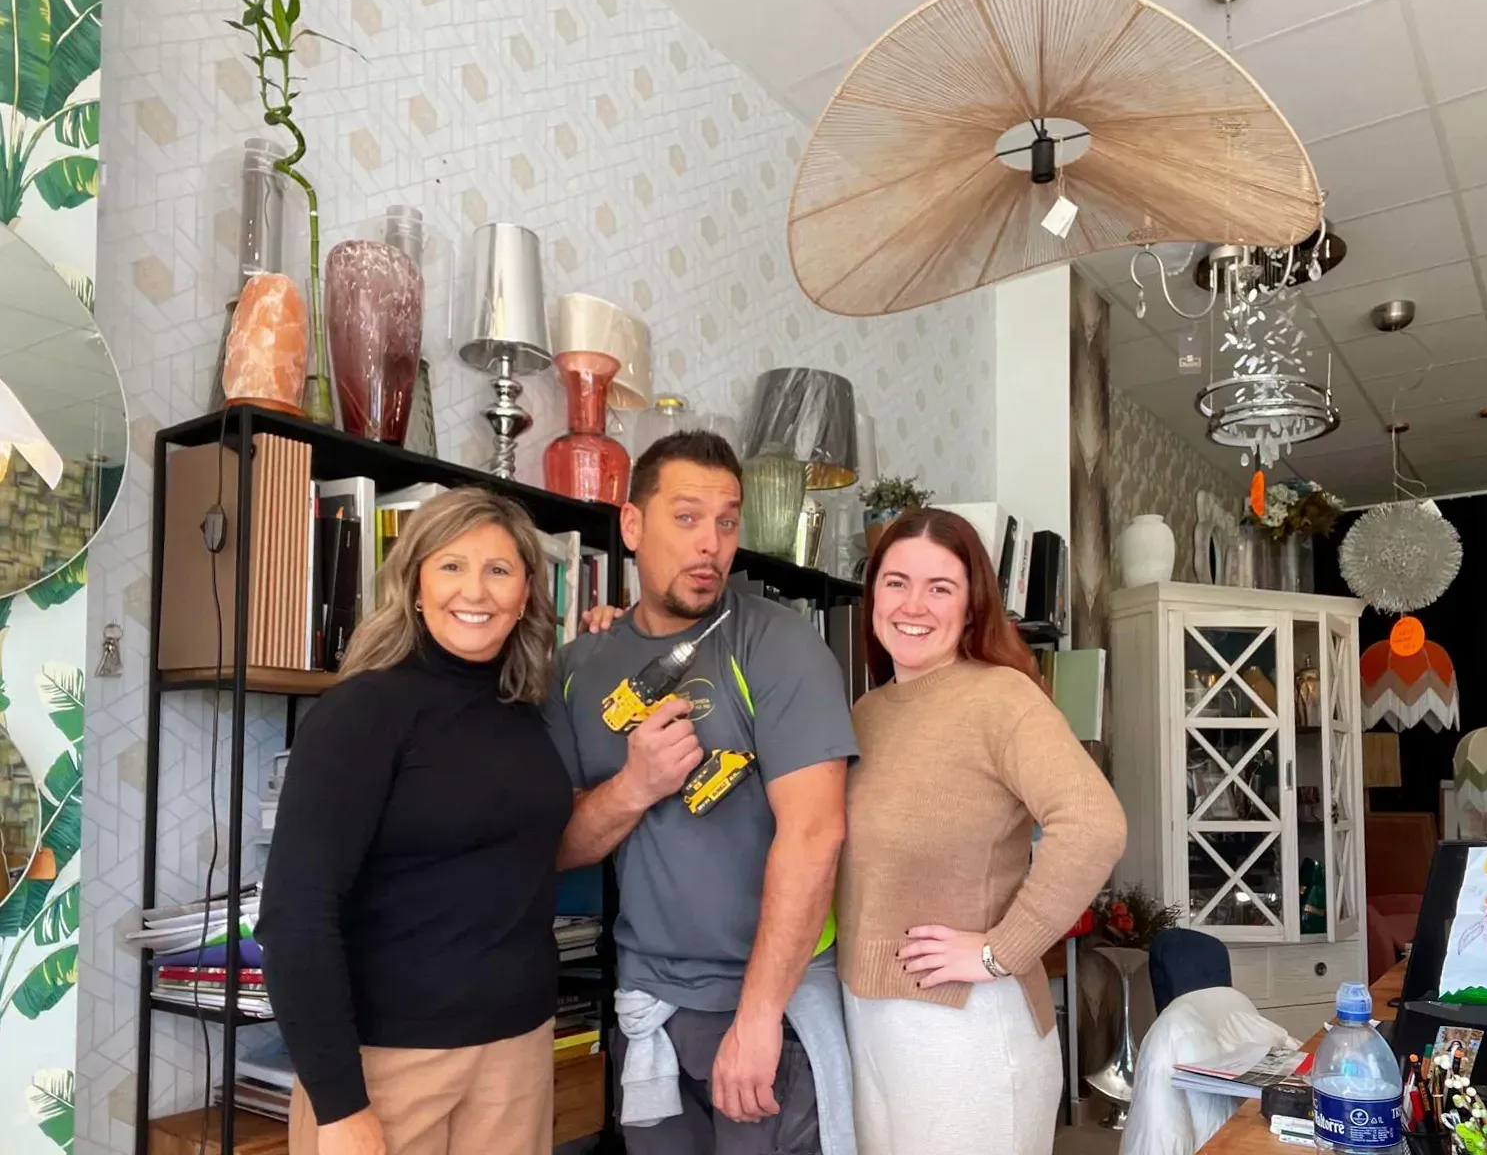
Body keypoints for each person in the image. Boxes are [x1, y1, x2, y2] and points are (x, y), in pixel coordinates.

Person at [551, 430, 857, 1155]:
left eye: (726, 521)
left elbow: (815, 834)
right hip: (647, 1007)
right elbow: (557, 845)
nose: (710, 544)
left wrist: (759, 1018)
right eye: (687, 517)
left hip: (769, 1011)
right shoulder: (577, 669)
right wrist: (635, 786)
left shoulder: (781, 645)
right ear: (632, 525)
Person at [258, 487, 571, 1155]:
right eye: (452, 565)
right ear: (415, 585)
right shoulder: (362, 713)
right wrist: (340, 1106)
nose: (475, 590)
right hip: (389, 1064)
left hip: (517, 1052)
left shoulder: (526, 713)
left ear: (525, 595)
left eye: (498, 570)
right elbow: (294, 916)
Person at [836, 508, 1126, 1155]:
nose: (913, 605)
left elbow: (1094, 824)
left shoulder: (1000, 698)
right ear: (873, 595)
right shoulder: (866, 713)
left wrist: (1000, 950)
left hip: (966, 1029)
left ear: (972, 608)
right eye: (896, 582)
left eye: (940, 587)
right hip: (870, 1018)